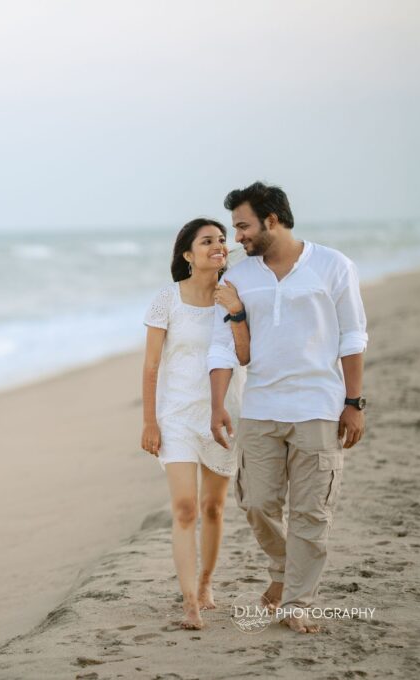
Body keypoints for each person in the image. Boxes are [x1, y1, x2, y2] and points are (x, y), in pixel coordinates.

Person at [208, 181, 368, 634]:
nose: (236, 237)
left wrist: (354, 403)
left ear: (271, 220)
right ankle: (283, 569)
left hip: (319, 405)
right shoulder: (240, 277)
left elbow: (352, 336)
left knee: (311, 512)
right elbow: (226, 347)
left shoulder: (333, 266)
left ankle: (297, 600)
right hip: (260, 406)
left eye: (242, 226)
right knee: (257, 503)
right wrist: (218, 404)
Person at [141, 218, 247, 630]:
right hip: (177, 416)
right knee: (185, 508)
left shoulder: (236, 297)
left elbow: (246, 353)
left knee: (214, 507)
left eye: (222, 240)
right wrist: (150, 421)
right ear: (188, 254)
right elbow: (151, 367)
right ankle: (190, 603)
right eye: (207, 241)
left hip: (222, 413)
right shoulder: (167, 300)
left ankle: (206, 583)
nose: (218, 246)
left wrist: (236, 311)